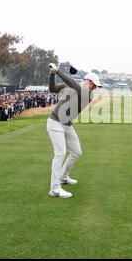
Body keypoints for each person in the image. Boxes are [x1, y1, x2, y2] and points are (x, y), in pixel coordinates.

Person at [47, 63, 102, 199]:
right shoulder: (71, 86)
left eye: (95, 86)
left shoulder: (88, 94)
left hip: (66, 125)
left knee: (77, 152)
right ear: (88, 81)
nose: (94, 88)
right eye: (93, 84)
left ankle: (63, 177)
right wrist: (52, 75)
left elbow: (74, 85)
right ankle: (54, 188)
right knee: (60, 153)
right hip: (55, 122)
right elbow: (52, 89)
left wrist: (58, 71)